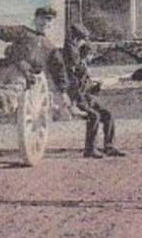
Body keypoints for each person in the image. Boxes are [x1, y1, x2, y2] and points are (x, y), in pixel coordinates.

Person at [0, 5, 58, 145]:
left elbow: (59, 70)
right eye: (42, 19)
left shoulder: (49, 48)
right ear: (35, 19)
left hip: (19, 79)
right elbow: (4, 31)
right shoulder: (23, 32)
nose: (45, 23)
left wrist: (63, 91)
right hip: (3, 72)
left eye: (48, 21)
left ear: (52, 24)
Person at [51, 23, 120, 158]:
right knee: (94, 116)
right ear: (78, 40)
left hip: (85, 97)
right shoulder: (72, 60)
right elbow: (75, 86)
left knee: (108, 114)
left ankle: (109, 146)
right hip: (77, 99)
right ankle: (90, 149)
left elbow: (85, 86)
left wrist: (96, 86)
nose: (91, 58)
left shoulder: (79, 62)